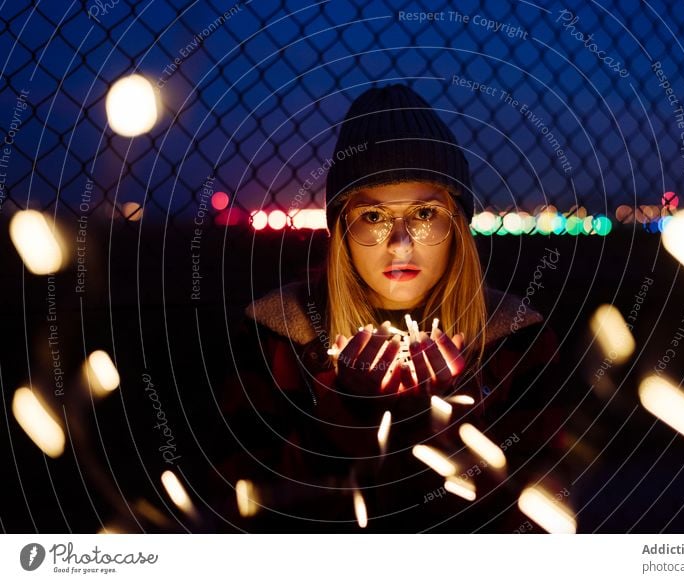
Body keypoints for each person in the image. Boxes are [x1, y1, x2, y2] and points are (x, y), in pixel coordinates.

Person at [209, 84, 562, 532]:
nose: (400, 244)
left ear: (458, 225)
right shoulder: (277, 333)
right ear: (340, 230)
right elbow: (244, 500)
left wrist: (446, 429)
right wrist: (350, 415)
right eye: (373, 217)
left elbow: (540, 506)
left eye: (424, 214)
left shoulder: (514, 337)